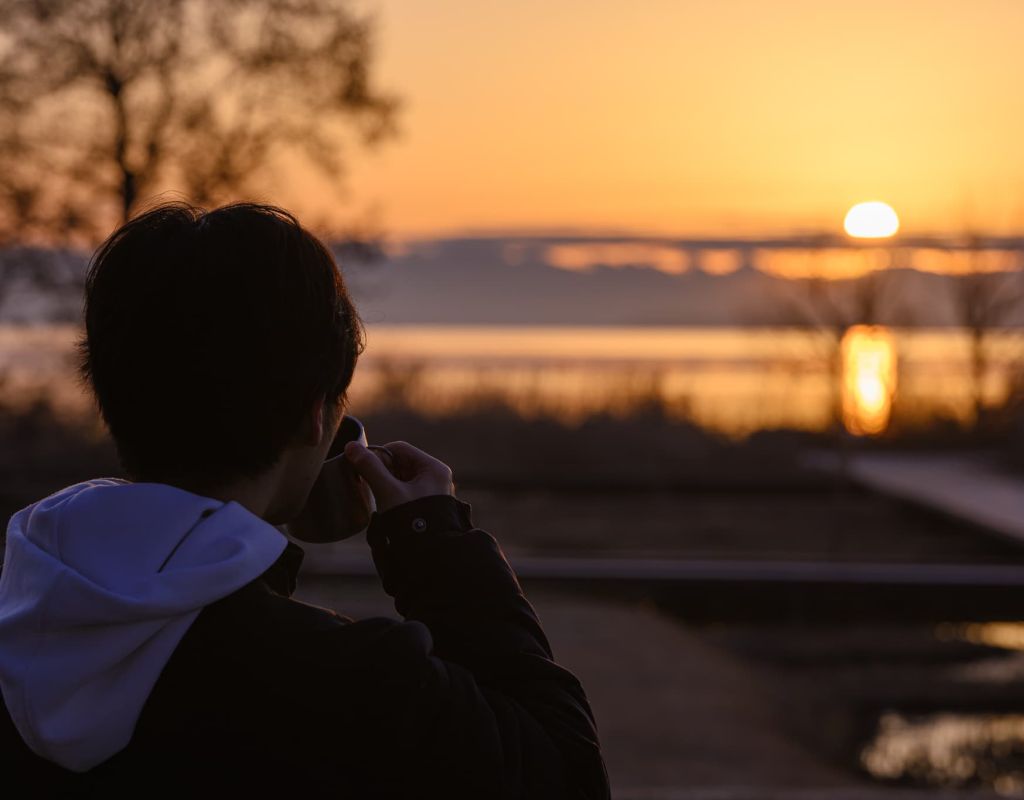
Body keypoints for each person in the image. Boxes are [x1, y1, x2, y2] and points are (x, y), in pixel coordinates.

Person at [0, 202, 611, 797]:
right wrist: (437, 546)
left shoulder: (19, 607)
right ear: (314, 417)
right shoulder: (352, 685)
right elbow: (564, 772)